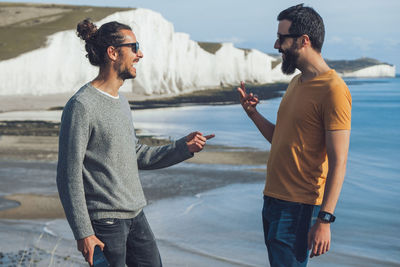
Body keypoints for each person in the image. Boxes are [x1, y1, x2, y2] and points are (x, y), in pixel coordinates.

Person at [56, 19, 214, 267]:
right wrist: (83, 232)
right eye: (134, 47)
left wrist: (183, 148)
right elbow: (68, 174)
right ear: (112, 53)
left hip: (136, 215)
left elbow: (137, 154)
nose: (140, 54)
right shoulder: (81, 106)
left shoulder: (121, 102)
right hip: (105, 223)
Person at [238, 4, 351, 266]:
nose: (277, 45)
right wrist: (253, 114)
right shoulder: (296, 83)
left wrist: (325, 219)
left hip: (298, 207)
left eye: (282, 38)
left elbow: (339, 161)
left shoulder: (333, 90)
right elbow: (282, 140)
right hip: (273, 200)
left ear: (304, 40)